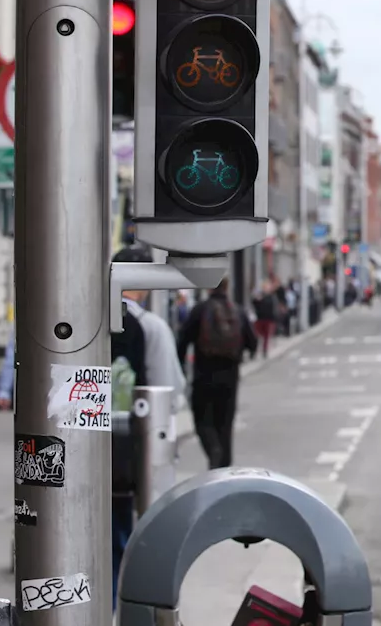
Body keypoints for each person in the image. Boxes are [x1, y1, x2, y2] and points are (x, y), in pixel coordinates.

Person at [109, 245, 188, 604]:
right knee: (128, 539)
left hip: (80, 442)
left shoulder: (83, 320)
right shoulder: (150, 328)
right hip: (130, 451)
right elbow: (168, 393)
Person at [177, 278, 257, 469]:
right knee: (225, 426)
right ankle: (223, 468)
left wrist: (181, 367)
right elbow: (252, 343)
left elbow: (182, 341)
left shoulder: (200, 310)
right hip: (230, 379)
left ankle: (213, 449)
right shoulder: (238, 311)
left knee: (202, 420)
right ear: (227, 287)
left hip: (203, 376)